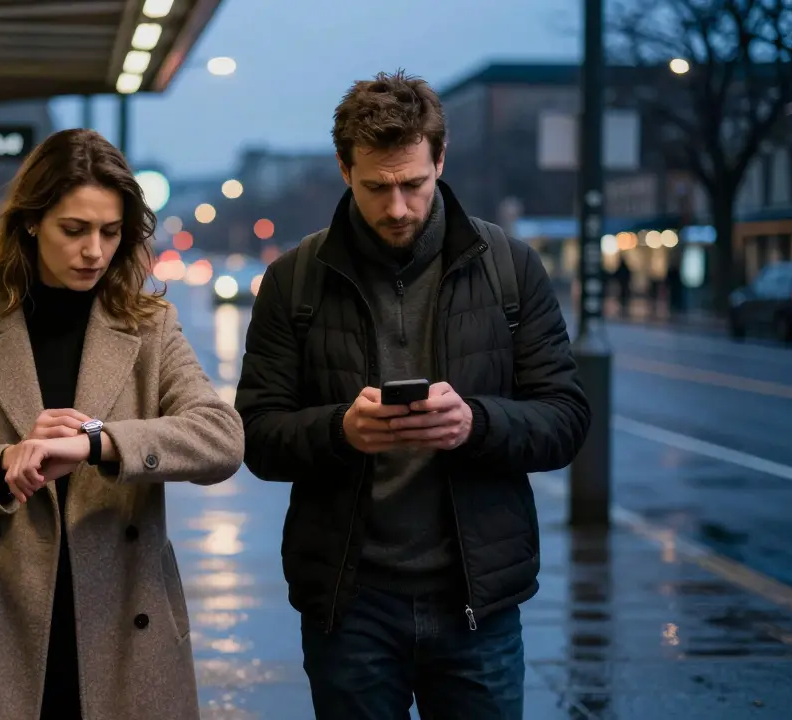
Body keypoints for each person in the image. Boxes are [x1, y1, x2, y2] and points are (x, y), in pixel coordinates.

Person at [234, 71, 591, 719]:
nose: (397, 207)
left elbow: (565, 420)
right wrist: (341, 431)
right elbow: (256, 435)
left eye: (413, 185)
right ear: (345, 169)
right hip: (350, 602)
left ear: (440, 161)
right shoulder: (294, 282)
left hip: (476, 598)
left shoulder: (510, 267)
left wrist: (474, 424)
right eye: (377, 187)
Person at [0, 128, 244, 720]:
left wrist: (100, 443)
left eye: (111, 233)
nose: (95, 252)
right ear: (31, 223)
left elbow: (221, 437)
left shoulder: (147, 327)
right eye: (74, 230)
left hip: (125, 632)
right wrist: (1, 466)